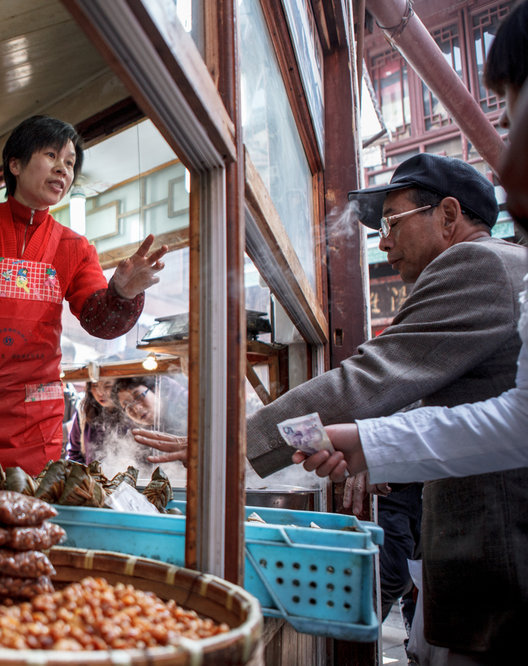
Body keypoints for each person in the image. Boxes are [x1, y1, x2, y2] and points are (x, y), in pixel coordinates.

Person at [134, 152, 528, 662]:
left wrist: (234, 444)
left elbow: (367, 379)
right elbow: (459, 406)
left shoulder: (476, 264)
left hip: (501, 567)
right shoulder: (504, 265)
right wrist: (373, 446)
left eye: (391, 222)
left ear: (448, 215)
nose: (383, 242)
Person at [0, 115, 167, 476]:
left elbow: (99, 321)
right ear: (15, 164)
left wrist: (123, 293)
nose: (63, 169)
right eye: (51, 155)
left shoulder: (75, 247)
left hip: (35, 427)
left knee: (32, 508)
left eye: (70, 163)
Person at [65, 378, 132, 466]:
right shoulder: (84, 414)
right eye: (95, 385)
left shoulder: (134, 412)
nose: (100, 393)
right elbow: (74, 453)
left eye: (107, 386)